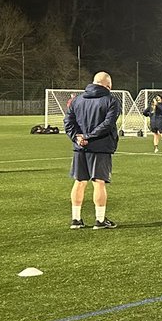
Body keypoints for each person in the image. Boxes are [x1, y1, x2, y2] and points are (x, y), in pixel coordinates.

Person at [64, 71, 120, 229]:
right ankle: (100, 220)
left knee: (79, 181)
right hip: (100, 146)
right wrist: (89, 136)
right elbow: (108, 124)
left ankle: (76, 220)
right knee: (99, 182)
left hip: (80, 147)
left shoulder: (77, 100)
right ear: (108, 85)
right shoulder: (110, 100)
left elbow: (68, 121)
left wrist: (78, 137)